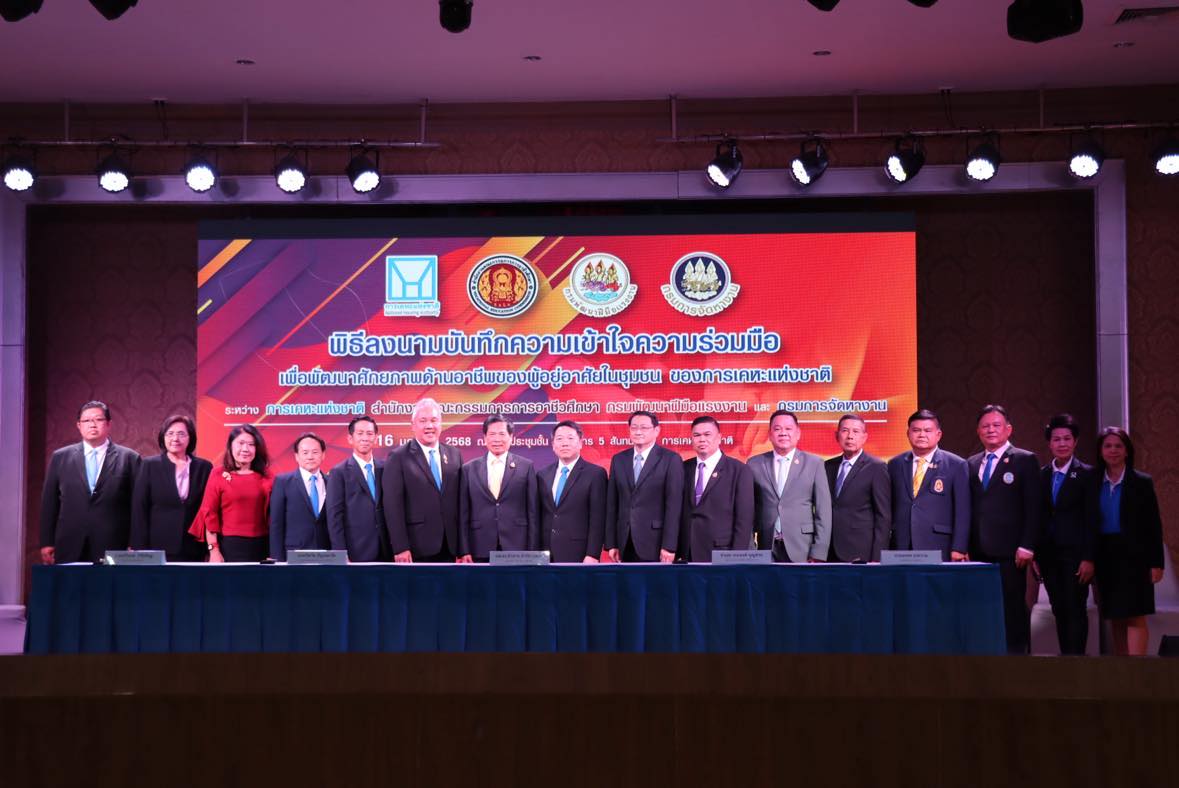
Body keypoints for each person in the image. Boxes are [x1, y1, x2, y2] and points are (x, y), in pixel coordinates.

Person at [968, 404, 1041, 655]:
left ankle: (1016, 660)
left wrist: (1027, 544)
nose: (991, 430)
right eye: (985, 426)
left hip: (1012, 552)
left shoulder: (1025, 460)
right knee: (982, 608)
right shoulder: (971, 463)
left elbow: (1034, 507)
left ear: (1008, 429)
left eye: (996, 425)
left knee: (1012, 609)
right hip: (978, 551)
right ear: (978, 431)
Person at [1092, 427, 1165, 656]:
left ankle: (1136, 670)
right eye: (1108, 446)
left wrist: (1156, 563)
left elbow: (1153, 525)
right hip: (1105, 556)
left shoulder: (1141, 482)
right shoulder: (1092, 481)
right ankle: (1122, 669)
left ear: (1127, 451)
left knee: (1135, 614)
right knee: (1116, 616)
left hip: (1135, 557)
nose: (1113, 450)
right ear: (1101, 451)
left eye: (1118, 446)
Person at [40, 400, 141, 564]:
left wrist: (135, 542)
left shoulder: (129, 458)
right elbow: (49, 503)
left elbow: (137, 505)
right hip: (69, 541)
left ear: (109, 424)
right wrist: (47, 541)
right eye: (86, 420)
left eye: (98, 419)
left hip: (114, 543)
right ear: (79, 425)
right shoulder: (60, 457)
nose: (92, 425)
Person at [1037, 413, 1098, 655]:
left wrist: (1089, 558)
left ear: (1075, 441)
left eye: (1067, 439)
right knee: (1059, 609)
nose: (1062, 444)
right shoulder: (1042, 475)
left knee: (1075, 609)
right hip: (1049, 556)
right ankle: (1066, 662)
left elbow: (1093, 519)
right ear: (1049, 443)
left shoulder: (1088, 474)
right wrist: (1036, 554)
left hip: (1076, 557)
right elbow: (1038, 516)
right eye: (1056, 439)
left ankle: (1077, 664)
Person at [382, 398, 462, 562]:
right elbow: (392, 506)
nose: (429, 426)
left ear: (441, 424)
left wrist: (463, 547)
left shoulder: (454, 454)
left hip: (451, 546)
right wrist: (400, 547)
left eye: (434, 420)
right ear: (413, 425)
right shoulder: (398, 457)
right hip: (416, 547)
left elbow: (461, 503)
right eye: (423, 421)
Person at [888, 409, 970, 561]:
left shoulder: (956, 464)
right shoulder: (895, 464)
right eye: (916, 430)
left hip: (939, 544)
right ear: (908, 434)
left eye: (927, 430)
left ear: (938, 434)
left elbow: (963, 510)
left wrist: (959, 547)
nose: (921, 435)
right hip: (901, 545)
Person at [750, 410, 831, 562]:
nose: (783, 433)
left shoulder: (814, 464)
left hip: (802, 548)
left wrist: (818, 552)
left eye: (788, 429)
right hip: (766, 546)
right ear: (769, 434)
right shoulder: (754, 464)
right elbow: (748, 509)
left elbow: (823, 511)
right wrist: (750, 549)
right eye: (777, 429)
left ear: (798, 433)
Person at [130, 414, 212, 561]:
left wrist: (210, 547)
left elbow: (208, 510)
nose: (175, 438)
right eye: (170, 434)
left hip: (193, 546)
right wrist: (138, 547)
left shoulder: (204, 467)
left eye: (181, 434)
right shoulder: (149, 465)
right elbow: (139, 508)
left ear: (190, 438)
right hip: (157, 546)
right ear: (163, 437)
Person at [458, 414, 539, 561]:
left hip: (516, 547)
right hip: (479, 546)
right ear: (484, 438)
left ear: (511, 437)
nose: (497, 439)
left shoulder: (526, 467)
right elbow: (463, 513)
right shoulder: (468, 469)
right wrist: (464, 550)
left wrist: (533, 551)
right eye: (492, 434)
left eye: (502, 434)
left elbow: (532, 512)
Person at [605, 410, 682, 563]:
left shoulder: (670, 459)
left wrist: (669, 545)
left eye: (644, 428)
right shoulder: (619, 459)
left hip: (656, 541)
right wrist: (611, 543)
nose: (638, 432)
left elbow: (674, 506)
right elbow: (612, 504)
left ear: (656, 430)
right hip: (625, 540)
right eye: (634, 427)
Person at [189, 424, 272, 562]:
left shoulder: (267, 476)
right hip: (229, 546)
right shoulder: (218, 474)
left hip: (262, 546)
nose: (245, 449)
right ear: (231, 446)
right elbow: (210, 515)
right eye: (241, 443)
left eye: (251, 444)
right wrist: (214, 550)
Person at [680, 416, 754, 562]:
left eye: (707, 434)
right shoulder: (683, 468)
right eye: (697, 435)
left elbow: (744, 520)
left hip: (722, 553)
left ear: (719, 438)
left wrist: (736, 558)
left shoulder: (739, 470)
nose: (702, 439)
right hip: (687, 553)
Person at [824, 414, 891, 563]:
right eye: (845, 431)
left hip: (861, 550)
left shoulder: (877, 467)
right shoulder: (827, 466)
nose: (850, 436)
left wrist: (877, 557)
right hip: (829, 550)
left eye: (856, 431)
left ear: (864, 437)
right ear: (836, 436)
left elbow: (883, 516)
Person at [538, 420, 606, 563]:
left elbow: (598, 518)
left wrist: (593, 554)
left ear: (580, 443)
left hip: (579, 553)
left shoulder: (595, 474)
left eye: (570, 438)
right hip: (545, 553)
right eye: (559, 439)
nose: (565, 443)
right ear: (553, 445)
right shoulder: (542, 474)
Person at [326, 416, 389, 562]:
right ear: (350, 438)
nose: (365, 438)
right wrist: (340, 553)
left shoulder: (386, 468)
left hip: (386, 550)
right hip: (356, 552)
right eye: (360, 434)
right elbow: (334, 517)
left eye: (369, 433)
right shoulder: (338, 472)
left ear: (376, 438)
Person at [269, 432, 331, 561]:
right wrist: (278, 561)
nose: (310, 457)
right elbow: (276, 525)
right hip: (293, 555)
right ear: (296, 456)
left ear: (323, 455)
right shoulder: (283, 482)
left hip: (327, 554)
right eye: (305, 452)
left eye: (315, 452)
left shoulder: (332, 483)